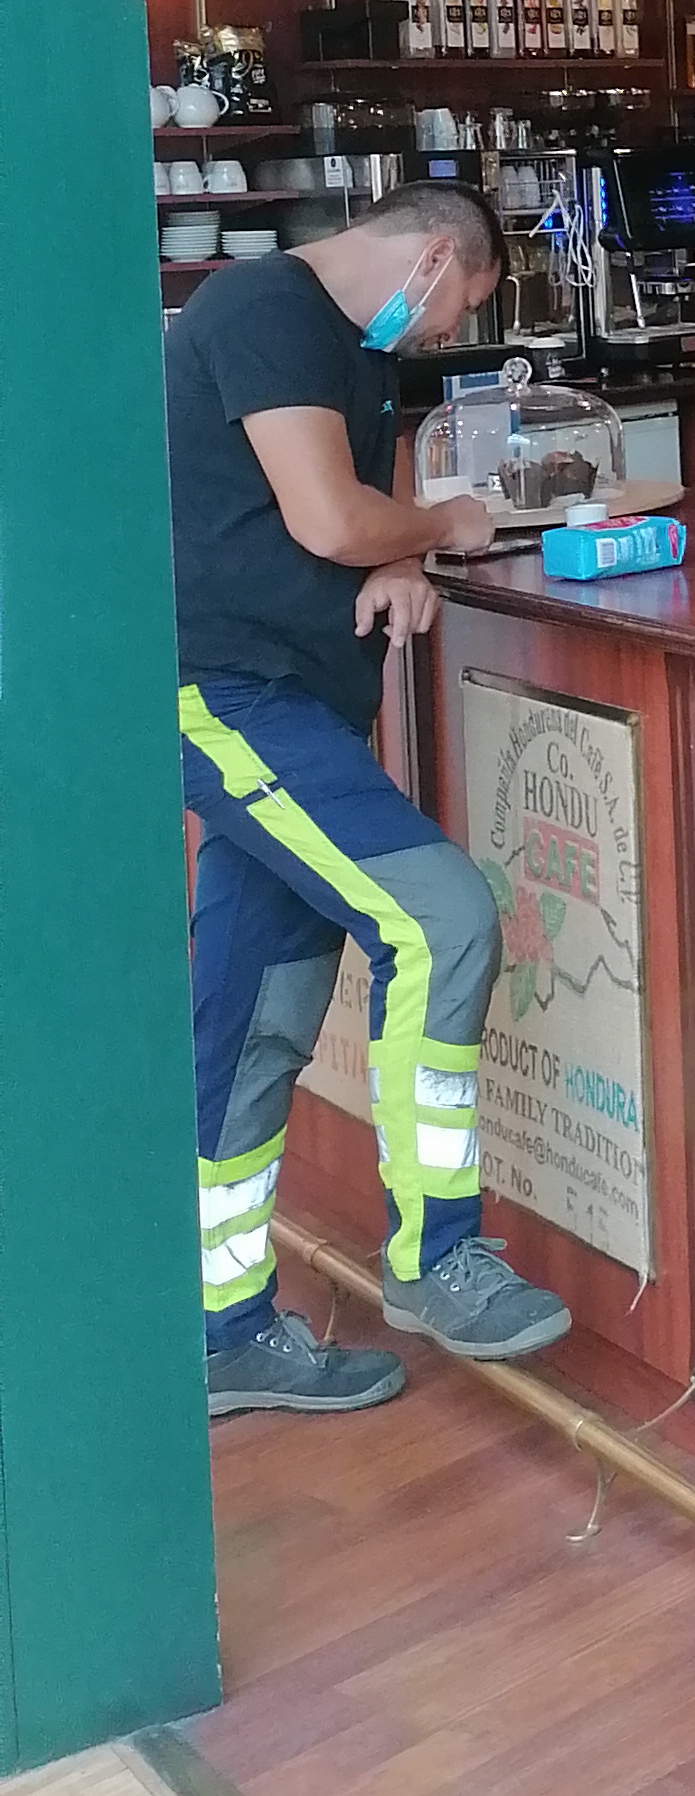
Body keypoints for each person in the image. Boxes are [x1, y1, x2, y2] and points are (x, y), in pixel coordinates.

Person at [172, 179, 573, 1415]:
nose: (447, 330)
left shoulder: (357, 353)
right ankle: (436, 1253)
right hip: (235, 698)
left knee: (256, 1020)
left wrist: (396, 551)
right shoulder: (261, 307)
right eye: (460, 306)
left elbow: (350, 526)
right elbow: (328, 514)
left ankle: (221, 1329)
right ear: (435, 254)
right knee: (443, 917)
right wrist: (441, 525)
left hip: (300, 705)